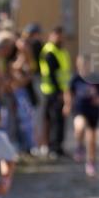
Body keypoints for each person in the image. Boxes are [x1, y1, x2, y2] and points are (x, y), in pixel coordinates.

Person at [69, 56, 99, 177]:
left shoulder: (96, 78)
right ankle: (79, 146)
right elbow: (69, 92)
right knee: (79, 127)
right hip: (80, 109)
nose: (84, 67)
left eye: (86, 64)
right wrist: (67, 105)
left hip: (93, 111)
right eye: (81, 64)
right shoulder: (75, 78)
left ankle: (91, 162)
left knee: (91, 140)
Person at [39, 26, 72, 159]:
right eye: (57, 35)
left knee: (60, 120)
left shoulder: (61, 51)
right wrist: (59, 91)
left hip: (61, 89)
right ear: (52, 35)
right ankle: (53, 147)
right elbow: (52, 74)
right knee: (54, 120)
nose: (60, 38)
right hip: (52, 91)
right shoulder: (49, 52)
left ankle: (59, 146)